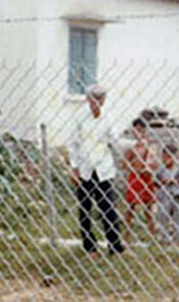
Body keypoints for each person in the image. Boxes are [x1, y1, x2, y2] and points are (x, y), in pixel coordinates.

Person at [69, 84, 125, 259]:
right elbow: (73, 144)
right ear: (88, 99)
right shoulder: (80, 118)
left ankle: (115, 246)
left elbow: (115, 140)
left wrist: (129, 147)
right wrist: (74, 168)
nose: (97, 103)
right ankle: (90, 247)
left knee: (108, 208)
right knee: (85, 210)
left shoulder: (108, 117)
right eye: (94, 99)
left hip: (103, 170)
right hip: (85, 169)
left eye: (101, 99)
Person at [122, 118, 157, 244]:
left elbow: (154, 163)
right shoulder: (131, 147)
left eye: (141, 129)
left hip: (146, 177)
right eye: (136, 129)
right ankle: (126, 237)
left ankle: (153, 237)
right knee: (130, 207)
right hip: (134, 177)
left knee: (148, 208)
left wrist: (148, 167)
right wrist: (133, 168)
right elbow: (124, 163)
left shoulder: (150, 146)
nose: (139, 132)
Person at [156, 145, 179, 246]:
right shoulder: (161, 168)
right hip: (164, 194)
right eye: (164, 157)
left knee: (178, 216)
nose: (166, 160)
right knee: (163, 216)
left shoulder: (178, 167)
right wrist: (162, 182)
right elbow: (156, 181)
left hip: (176, 194)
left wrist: (173, 181)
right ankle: (165, 237)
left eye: (169, 157)